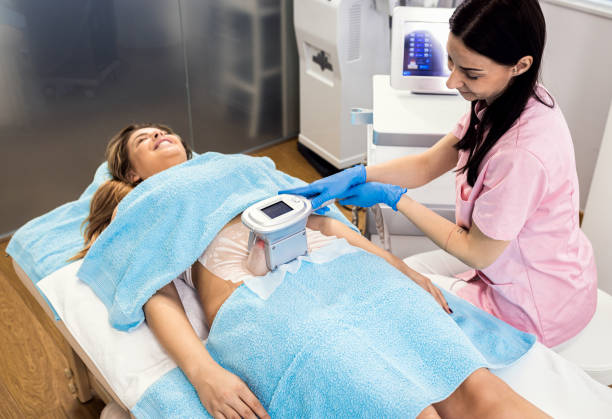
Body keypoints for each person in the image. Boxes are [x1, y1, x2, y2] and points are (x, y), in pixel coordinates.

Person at [76, 122, 549, 418]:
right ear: (131, 173)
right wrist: (204, 374)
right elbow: (153, 290)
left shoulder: (238, 166)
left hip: (344, 269)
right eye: (145, 139)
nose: (161, 134)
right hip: (264, 306)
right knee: (407, 410)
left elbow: (318, 215)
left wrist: (395, 266)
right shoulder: (141, 203)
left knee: (476, 389)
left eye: (163, 129)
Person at [281, 0, 597, 349]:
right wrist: (360, 172)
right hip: (509, 269)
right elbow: (429, 164)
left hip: (536, 304)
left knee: (398, 300)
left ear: (520, 65)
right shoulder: (504, 100)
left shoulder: (522, 152)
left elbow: (476, 252)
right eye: (451, 61)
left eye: (470, 73)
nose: (452, 81)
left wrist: (394, 198)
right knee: (402, 273)